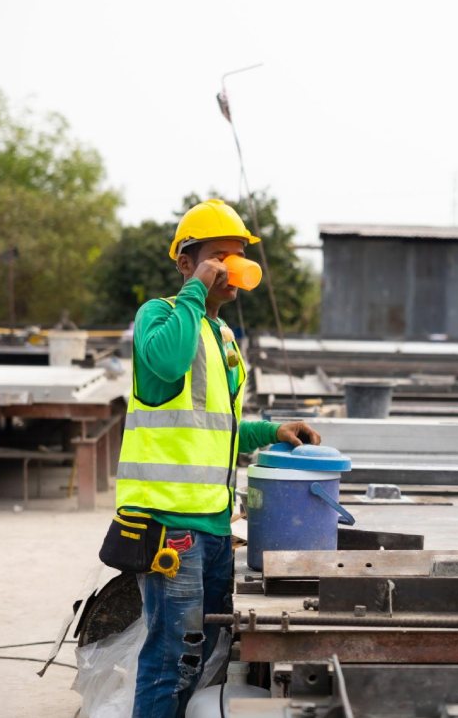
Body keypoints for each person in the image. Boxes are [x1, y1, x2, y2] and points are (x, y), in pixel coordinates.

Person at [114, 198, 320, 718]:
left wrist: (273, 429)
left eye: (237, 258)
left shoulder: (224, 336)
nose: (233, 270)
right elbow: (167, 360)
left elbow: (218, 428)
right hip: (167, 524)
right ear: (187, 263)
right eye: (219, 258)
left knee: (207, 654)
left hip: (212, 524)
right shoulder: (159, 317)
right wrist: (194, 291)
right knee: (170, 657)